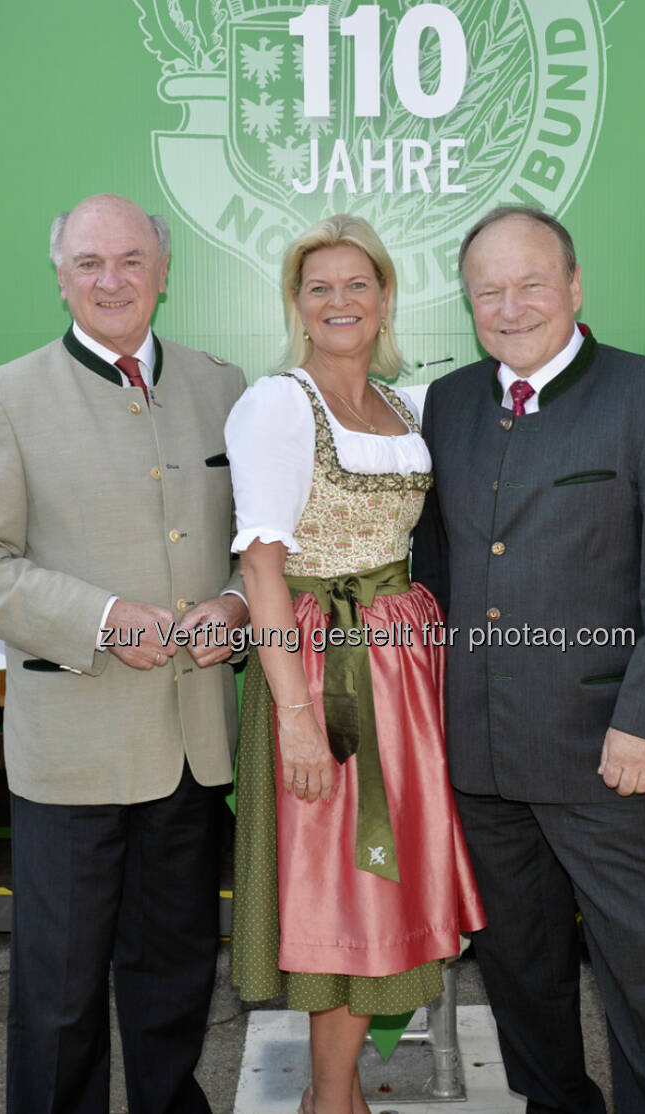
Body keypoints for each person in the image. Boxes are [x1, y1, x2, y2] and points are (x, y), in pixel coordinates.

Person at [0, 193, 249, 1114]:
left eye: (130, 260)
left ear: (162, 269)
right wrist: (106, 617)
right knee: (61, 999)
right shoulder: (5, 395)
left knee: (176, 978)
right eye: (89, 264)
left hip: (193, 741)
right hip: (73, 753)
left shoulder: (221, 386)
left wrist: (233, 600)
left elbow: (254, 538)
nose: (111, 280)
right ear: (61, 277)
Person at [411, 206, 645, 1114]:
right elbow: (438, 572)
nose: (512, 307)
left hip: (609, 754)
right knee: (520, 972)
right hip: (480, 755)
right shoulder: (452, 402)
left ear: (577, 286)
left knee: (644, 973)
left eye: (532, 283)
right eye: (489, 292)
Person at [225, 214, 485, 1114]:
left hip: (402, 659)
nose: (340, 301)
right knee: (331, 882)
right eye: (319, 287)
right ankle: (331, 1098)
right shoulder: (277, 404)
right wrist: (296, 714)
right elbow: (261, 565)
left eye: (357, 285)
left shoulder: (403, 409)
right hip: (321, 662)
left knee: (377, 886)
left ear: (384, 300)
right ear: (297, 305)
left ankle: (333, 1094)